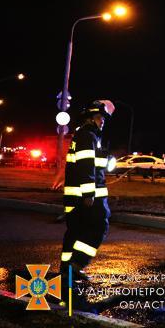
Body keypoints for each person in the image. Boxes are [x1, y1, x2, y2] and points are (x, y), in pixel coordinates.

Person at [60, 99, 115, 307]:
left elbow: (91, 163)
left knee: (75, 232)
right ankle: (77, 264)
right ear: (92, 117)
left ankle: (67, 272)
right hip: (88, 197)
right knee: (100, 226)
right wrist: (89, 194)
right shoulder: (87, 135)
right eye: (101, 118)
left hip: (75, 196)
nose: (103, 122)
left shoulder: (85, 135)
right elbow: (86, 166)